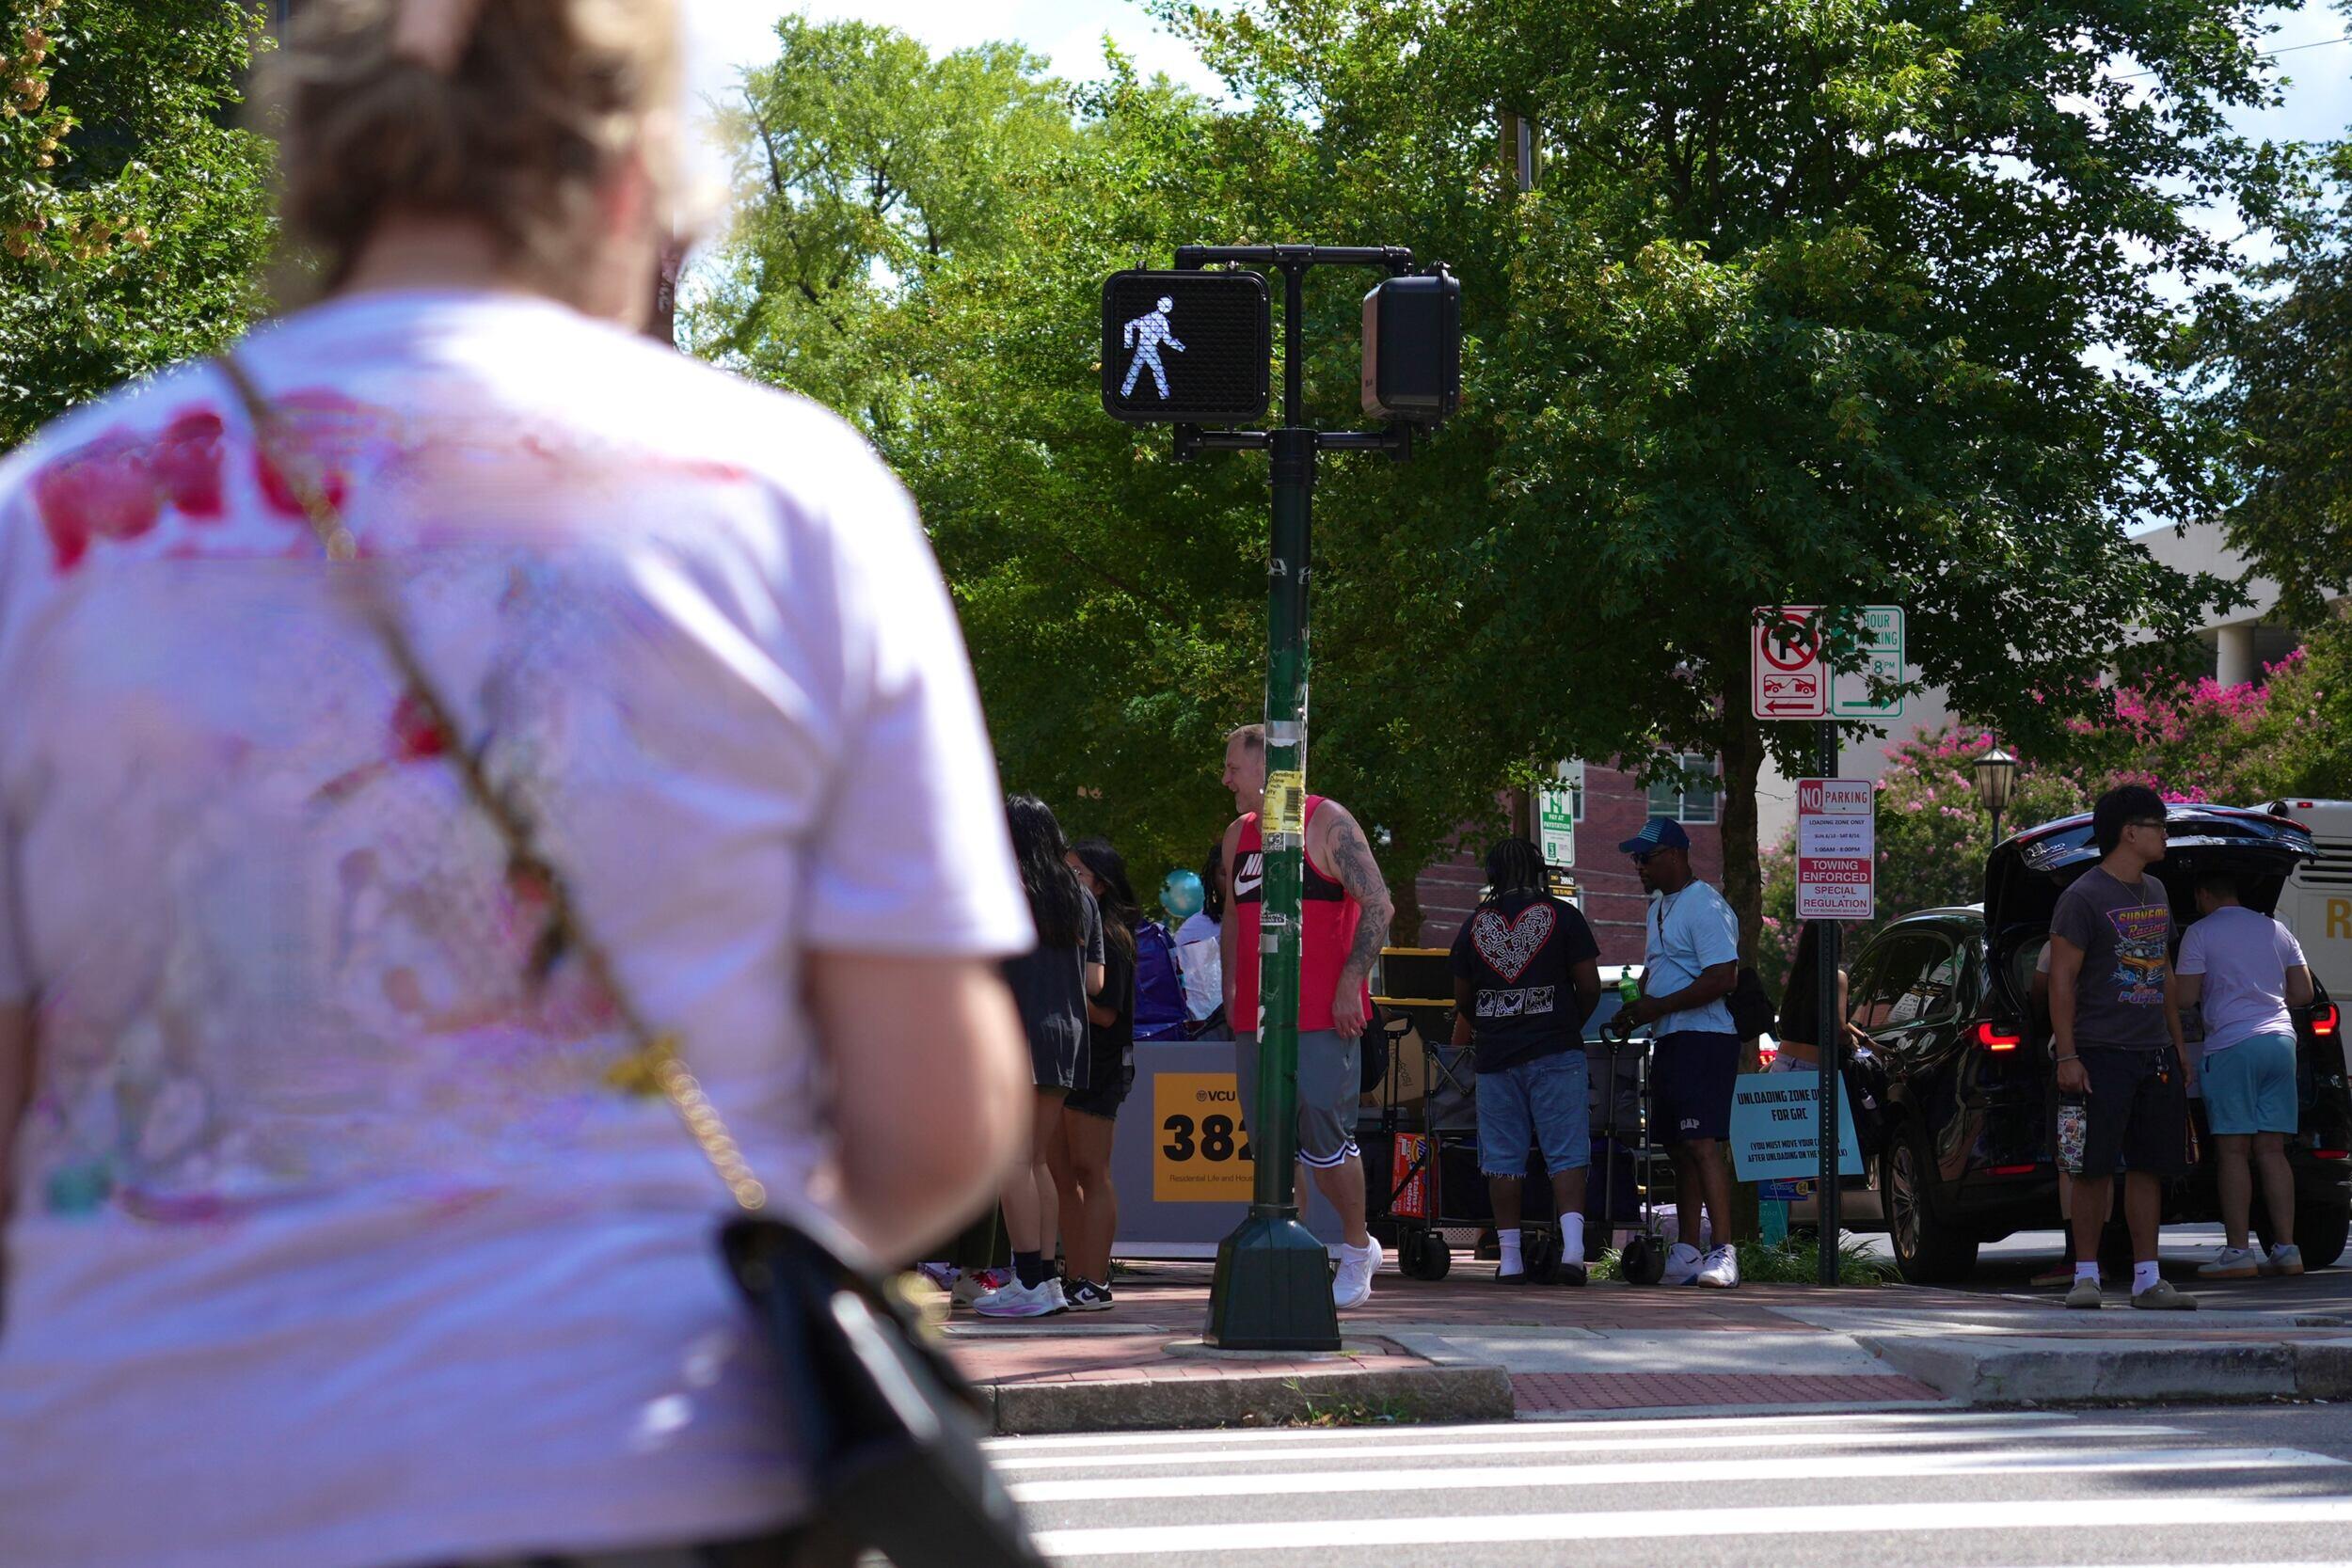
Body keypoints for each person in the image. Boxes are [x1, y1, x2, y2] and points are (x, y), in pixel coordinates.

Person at [0, 3, 1037, 1563]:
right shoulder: (789, 505)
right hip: (638, 1467)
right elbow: (936, 1124)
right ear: (631, 180)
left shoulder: (53, 519)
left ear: (317, 176)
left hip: (140, 1478)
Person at [1218, 722, 1393, 1308]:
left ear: (1268, 769)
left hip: (1323, 1014)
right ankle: (1284, 1249)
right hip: (1258, 1019)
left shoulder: (1326, 821)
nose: (1226, 780)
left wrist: (1352, 983)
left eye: (1233, 768)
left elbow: (1379, 904)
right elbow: (1233, 922)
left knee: (1325, 1136)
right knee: (1270, 1143)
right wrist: (1231, 995)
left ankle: (1356, 1246)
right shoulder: (1237, 835)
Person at [2049, 784, 2197, 1310]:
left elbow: (2163, 973)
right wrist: (2068, 1055)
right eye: (2158, 826)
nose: (2164, 835)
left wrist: (2179, 1046)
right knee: (2090, 1167)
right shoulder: (2082, 896)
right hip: (2097, 1053)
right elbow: (2060, 981)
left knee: (2149, 1167)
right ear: (2129, 832)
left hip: (2153, 1053)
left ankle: (2146, 1280)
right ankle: (2085, 1276)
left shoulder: (2156, 892)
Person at [1452, 838, 1602, 1285]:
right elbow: (1590, 984)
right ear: (1538, 870)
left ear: (1492, 875)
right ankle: (1574, 1253)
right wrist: (1569, 1022)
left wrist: (1494, 1019)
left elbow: (1463, 999)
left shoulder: (1474, 926)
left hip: (1497, 1056)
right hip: (1556, 1050)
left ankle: (1511, 1258)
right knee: (1567, 1152)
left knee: (1502, 1158)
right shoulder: (1566, 917)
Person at [977, 796, 1104, 1318]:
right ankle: (1047, 1281)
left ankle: (1028, 1281)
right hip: (1068, 1035)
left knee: (1011, 1160)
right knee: (1038, 1161)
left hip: (1013, 1035)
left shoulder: (1000, 892)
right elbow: (1096, 981)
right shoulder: (1081, 897)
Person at [2175, 868, 2316, 1280]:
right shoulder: (2276, 929)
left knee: (2233, 1151)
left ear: (2203, 894)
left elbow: (2184, 997)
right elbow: (2304, 993)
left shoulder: (2200, 933)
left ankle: (2239, 1251)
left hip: (2232, 1046)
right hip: (2279, 1042)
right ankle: (2287, 1249)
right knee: (2272, 1151)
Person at [1622, 816, 1743, 1289]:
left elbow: (1723, 977)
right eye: (1636, 859)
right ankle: (1689, 1249)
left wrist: (1660, 1004)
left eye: (1646, 858)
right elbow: (1659, 971)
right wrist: (1635, 1010)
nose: (1639, 868)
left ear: (1675, 855)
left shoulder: (1706, 905)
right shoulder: (1658, 909)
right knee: (1677, 1148)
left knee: (1702, 1143)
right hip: (1670, 1037)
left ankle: (1724, 1252)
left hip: (1705, 1036)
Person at [1051, 837, 1141, 1310]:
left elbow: (1107, 1014)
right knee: (1061, 1175)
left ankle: (1096, 1278)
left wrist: (1059, 991)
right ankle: (1074, 1275)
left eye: (1077, 872)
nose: (1068, 880)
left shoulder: (1116, 935)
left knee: (1091, 1170)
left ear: (1102, 885)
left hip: (1099, 1065)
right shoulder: (1065, 928)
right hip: (1062, 1062)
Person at [1176, 847, 1228, 1037]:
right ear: (1212, 878)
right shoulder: (1193, 929)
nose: (1233, 880)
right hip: (1209, 1034)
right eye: (1224, 873)